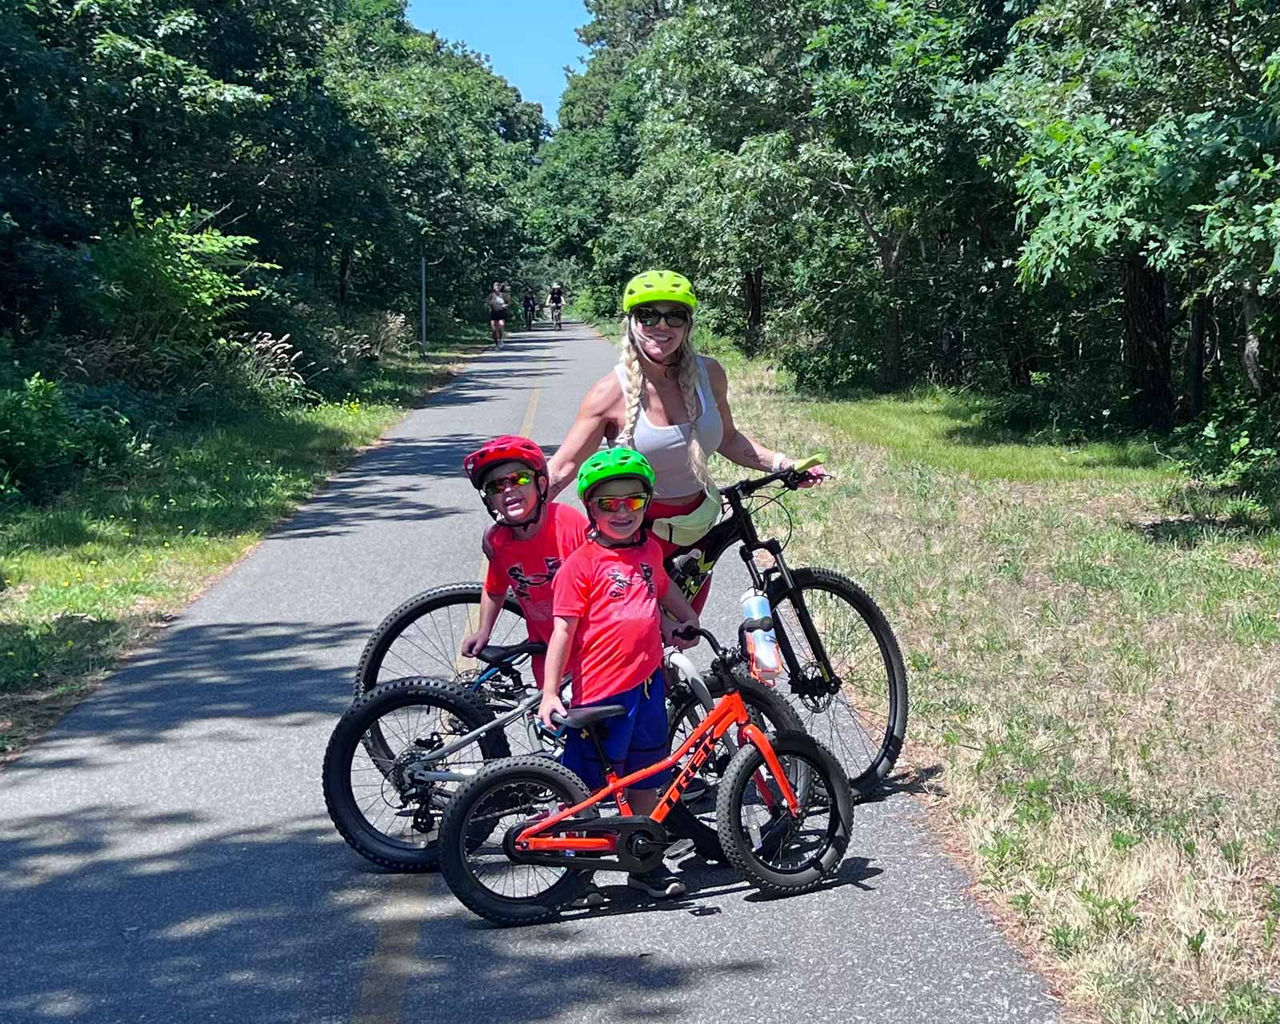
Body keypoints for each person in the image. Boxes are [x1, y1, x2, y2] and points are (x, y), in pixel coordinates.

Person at [546, 269, 826, 611]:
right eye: (648, 315)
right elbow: (564, 467)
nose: (661, 326)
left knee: (683, 634)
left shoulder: (710, 375)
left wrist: (783, 463)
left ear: (688, 325)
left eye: (674, 316)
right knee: (635, 645)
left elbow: (729, 439)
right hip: (634, 532)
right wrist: (517, 519)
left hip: (696, 533)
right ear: (632, 322)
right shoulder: (609, 393)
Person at [538, 446, 700, 899]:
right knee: (584, 785)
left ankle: (643, 860)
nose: (622, 511)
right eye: (609, 504)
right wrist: (551, 693)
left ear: (646, 504)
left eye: (632, 501)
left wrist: (685, 621)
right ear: (590, 508)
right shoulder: (580, 566)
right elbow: (563, 634)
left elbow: (662, 594)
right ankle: (578, 867)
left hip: (648, 688)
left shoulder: (648, 550)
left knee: (648, 773)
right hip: (600, 697)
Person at [459, 435, 588, 691]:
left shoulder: (568, 523)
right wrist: (483, 631)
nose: (508, 489)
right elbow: (495, 588)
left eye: (519, 479)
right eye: (496, 486)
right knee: (558, 725)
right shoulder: (499, 541)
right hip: (547, 655)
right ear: (490, 500)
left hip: (590, 649)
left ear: (541, 484)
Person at [485, 281, 510, 346]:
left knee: (501, 326)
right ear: (494, 287)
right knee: (494, 329)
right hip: (494, 312)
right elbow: (487, 301)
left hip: (501, 312)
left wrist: (505, 305)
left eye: (498, 286)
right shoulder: (491, 295)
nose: (497, 287)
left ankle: (500, 339)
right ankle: (496, 341)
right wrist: (490, 303)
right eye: (496, 286)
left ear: (500, 287)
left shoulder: (503, 295)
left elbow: (508, 302)